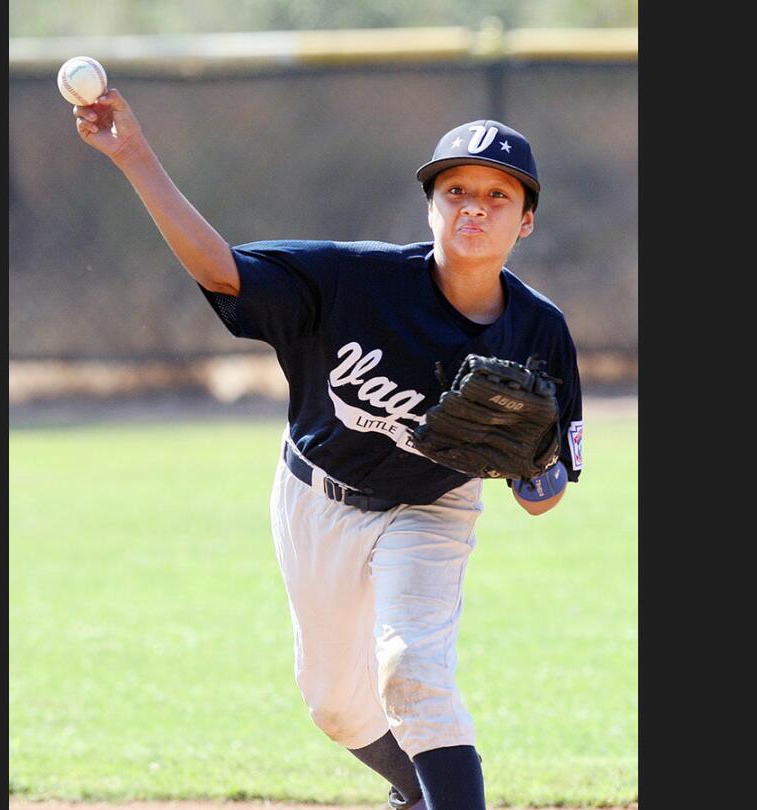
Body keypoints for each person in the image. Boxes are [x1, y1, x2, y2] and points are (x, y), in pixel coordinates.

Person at [74, 89, 584, 810]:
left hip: (432, 507)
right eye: (457, 189)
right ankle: (417, 793)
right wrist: (131, 153)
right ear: (430, 206)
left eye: (498, 196)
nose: (475, 205)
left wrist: (534, 467)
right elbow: (222, 271)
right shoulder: (355, 280)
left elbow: (546, 495)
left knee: (415, 673)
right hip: (315, 494)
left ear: (526, 221)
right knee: (336, 708)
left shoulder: (540, 333)